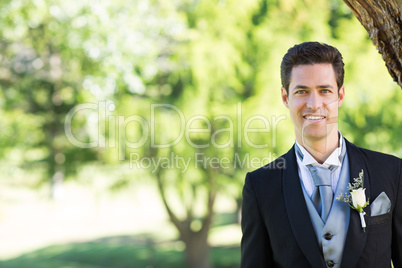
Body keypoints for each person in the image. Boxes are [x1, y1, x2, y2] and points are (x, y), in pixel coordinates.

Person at [240, 42, 402, 268]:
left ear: (340, 95)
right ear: (286, 98)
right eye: (301, 91)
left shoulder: (392, 172)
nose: (314, 104)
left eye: (325, 91)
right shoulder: (260, 187)